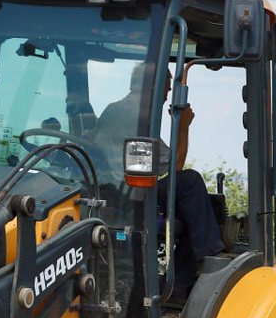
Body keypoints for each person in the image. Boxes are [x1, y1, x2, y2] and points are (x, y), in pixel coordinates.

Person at [95, 65, 223, 298]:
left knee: (190, 208)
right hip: (129, 196)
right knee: (190, 181)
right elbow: (174, 166)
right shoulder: (136, 116)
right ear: (151, 85)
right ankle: (209, 257)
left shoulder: (116, 110)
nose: (168, 92)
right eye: (166, 86)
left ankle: (180, 286)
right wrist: (183, 126)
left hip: (114, 191)